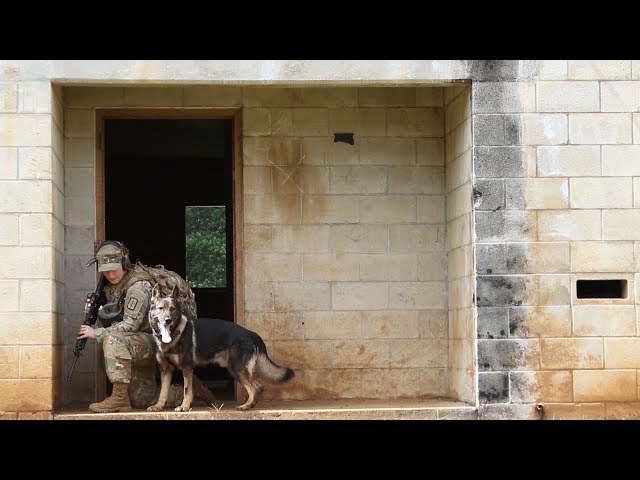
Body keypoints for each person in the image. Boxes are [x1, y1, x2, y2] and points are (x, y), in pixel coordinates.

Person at [76, 240, 215, 413]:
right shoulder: (113, 286)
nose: (111, 275)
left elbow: (130, 325)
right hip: (139, 342)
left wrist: (97, 333)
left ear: (124, 263)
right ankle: (189, 391)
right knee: (142, 400)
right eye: (106, 271)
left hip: (158, 342)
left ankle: (119, 399)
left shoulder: (138, 287)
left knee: (112, 340)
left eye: (114, 269)